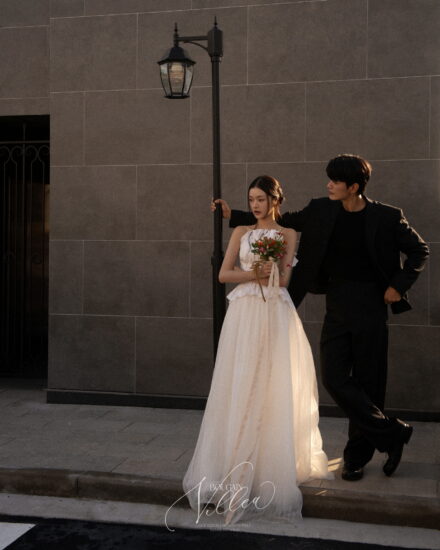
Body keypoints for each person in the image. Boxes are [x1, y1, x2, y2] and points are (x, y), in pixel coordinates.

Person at [217, 154, 429, 483]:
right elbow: (281, 219)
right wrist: (235, 216)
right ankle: (392, 434)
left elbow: (419, 250)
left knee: (369, 381)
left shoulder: (387, 216)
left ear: (354, 187)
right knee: (333, 377)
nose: (328, 185)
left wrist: (397, 286)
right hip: (337, 302)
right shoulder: (321, 209)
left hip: (372, 303)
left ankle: (356, 457)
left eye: (335, 181)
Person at [182, 176, 332, 526]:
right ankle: (233, 466)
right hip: (244, 313)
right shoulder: (241, 232)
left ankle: (266, 466)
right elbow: (224, 275)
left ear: (275, 200)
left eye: (261, 199)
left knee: (270, 384)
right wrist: (254, 274)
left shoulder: (289, 234)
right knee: (241, 382)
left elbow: (285, 280)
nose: (255, 205)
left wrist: (272, 272)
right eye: (251, 199)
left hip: (274, 311)